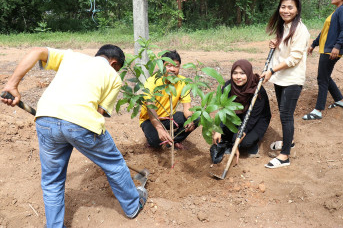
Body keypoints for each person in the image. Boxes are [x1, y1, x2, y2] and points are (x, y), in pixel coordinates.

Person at [1, 45, 147, 228]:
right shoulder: (113, 77)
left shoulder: (71, 57)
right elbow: (99, 112)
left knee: (52, 180)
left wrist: (12, 84)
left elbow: (36, 51)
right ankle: (133, 206)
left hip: (46, 119)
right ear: (114, 63)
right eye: (117, 68)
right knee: (115, 165)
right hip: (81, 124)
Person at [261, 0, 310, 169]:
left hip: (292, 79)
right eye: (283, 7)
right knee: (283, 113)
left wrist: (271, 70)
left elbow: (294, 59)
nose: (286, 10)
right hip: (281, 78)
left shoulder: (300, 30)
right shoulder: (285, 26)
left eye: (290, 7)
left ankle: (284, 156)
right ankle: (290, 141)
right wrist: (277, 42)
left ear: (297, 9)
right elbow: (286, 49)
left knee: (286, 115)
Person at [303, 0, 343, 120]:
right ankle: (340, 100)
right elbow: (325, 31)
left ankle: (318, 110)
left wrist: (337, 46)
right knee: (325, 76)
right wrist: (314, 44)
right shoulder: (338, 10)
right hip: (327, 48)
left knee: (322, 78)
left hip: (332, 49)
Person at [211, 59, 271, 163]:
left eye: (242, 73)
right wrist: (218, 129)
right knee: (221, 135)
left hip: (256, 120)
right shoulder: (228, 87)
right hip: (237, 117)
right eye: (235, 73)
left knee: (243, 142)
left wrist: (238, 140)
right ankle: (233, 140)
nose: (238, 77)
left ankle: (251, 145)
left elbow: (252, 119)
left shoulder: (258, 90)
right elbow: (223, 110)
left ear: (248, 73)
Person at [139, 50, 198, 149]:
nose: (173, 69)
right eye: (169, 66)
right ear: (161, 66)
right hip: (150, 119)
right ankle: (156, 139)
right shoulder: (152, 82)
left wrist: (189, 120)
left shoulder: (182, 82)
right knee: (155, 142)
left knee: (196, 118)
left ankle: (174, 141)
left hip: (169, 117)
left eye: (176, 66)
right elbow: (150, 109)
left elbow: (187, 106)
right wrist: (159, 128)